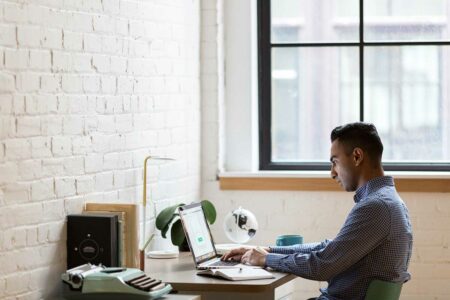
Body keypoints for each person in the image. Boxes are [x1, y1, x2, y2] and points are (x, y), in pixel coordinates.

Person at [222, 122, 413, 300]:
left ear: (357, 156)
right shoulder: (388, 201)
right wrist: (267, 250)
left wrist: (266, 259)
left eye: (335, 162)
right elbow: (329, 248)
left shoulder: (376, 207)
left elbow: (323, 266)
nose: (332, 172)